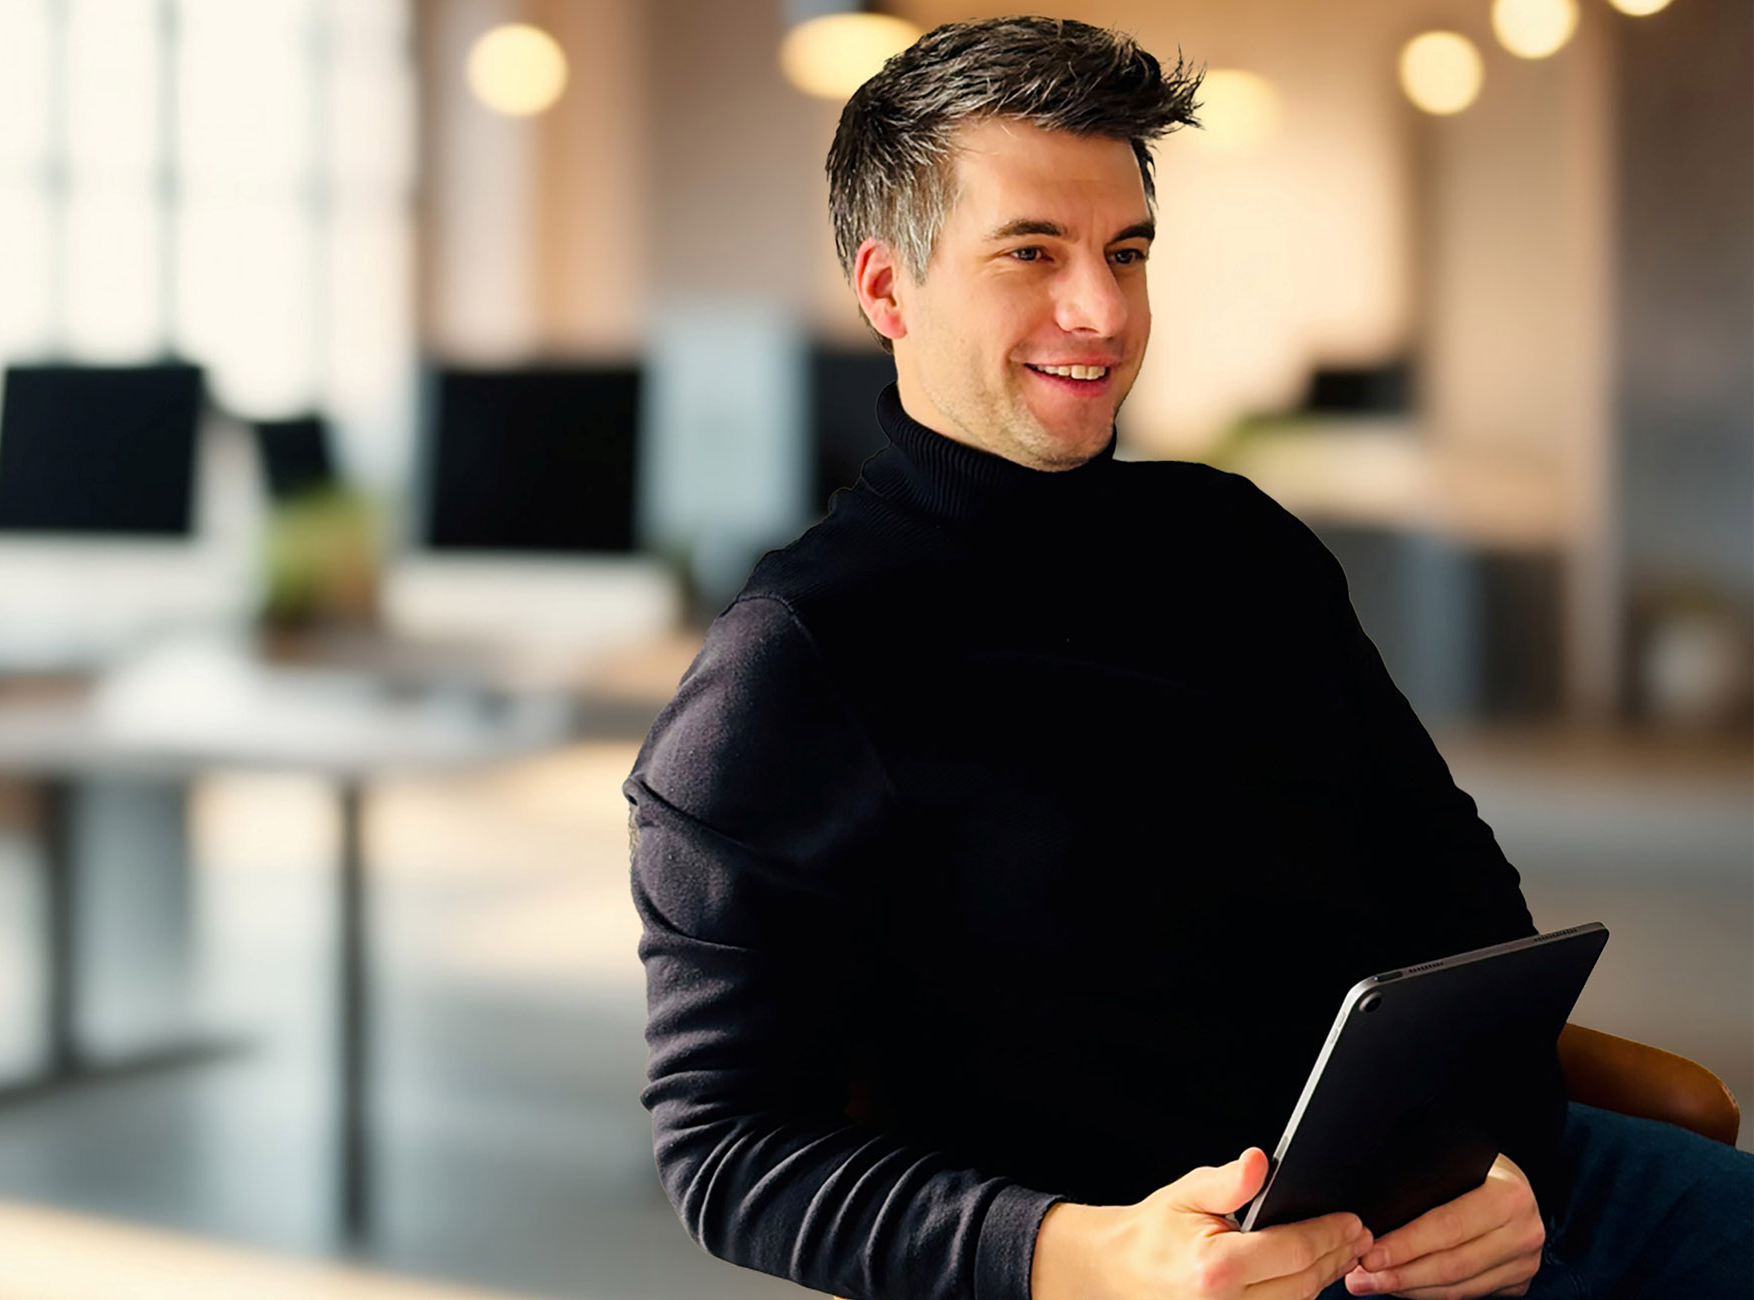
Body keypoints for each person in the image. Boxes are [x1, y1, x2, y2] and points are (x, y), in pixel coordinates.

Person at [624, 16, 1753, 1300]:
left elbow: (1466, 923)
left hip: (1470, 1201)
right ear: (888, 290)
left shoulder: (1243, 548)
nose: (1099, 310)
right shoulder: (790, 671)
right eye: (1030, 253)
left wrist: (1502, 1159)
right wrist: (1079, 1255)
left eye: (1125, 250)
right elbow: (725, 1150)